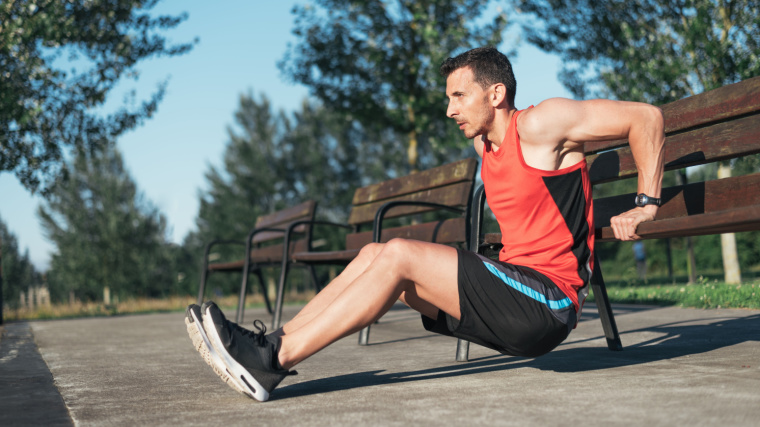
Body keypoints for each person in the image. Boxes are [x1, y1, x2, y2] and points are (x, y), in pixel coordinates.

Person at [185, 46, 665, 402]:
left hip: (549, 302)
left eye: (459, 95)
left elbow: (645, 118)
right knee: (375, 254)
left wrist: (646, 204)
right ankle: (268, 345)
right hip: (513, 293)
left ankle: (271, 362)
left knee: (398, 253)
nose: (450, 109)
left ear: (495, 93)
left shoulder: (542, 125)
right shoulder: (484, 147)